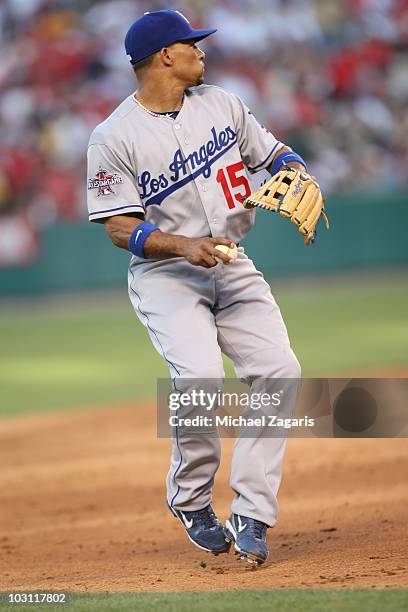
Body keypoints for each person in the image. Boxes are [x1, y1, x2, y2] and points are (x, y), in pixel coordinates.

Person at [87, 9, 305, 566]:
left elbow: (276, 153)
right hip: (166, 276)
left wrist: (297, 172)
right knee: (202, 376)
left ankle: (252, 513)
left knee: (280, 371)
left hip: (232, 261)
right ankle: (190, 500)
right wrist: (182, 245)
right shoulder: (113, 135)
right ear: (165, 56)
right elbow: (118, 228)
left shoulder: (223, 103)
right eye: (192, 44)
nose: (201, 51)